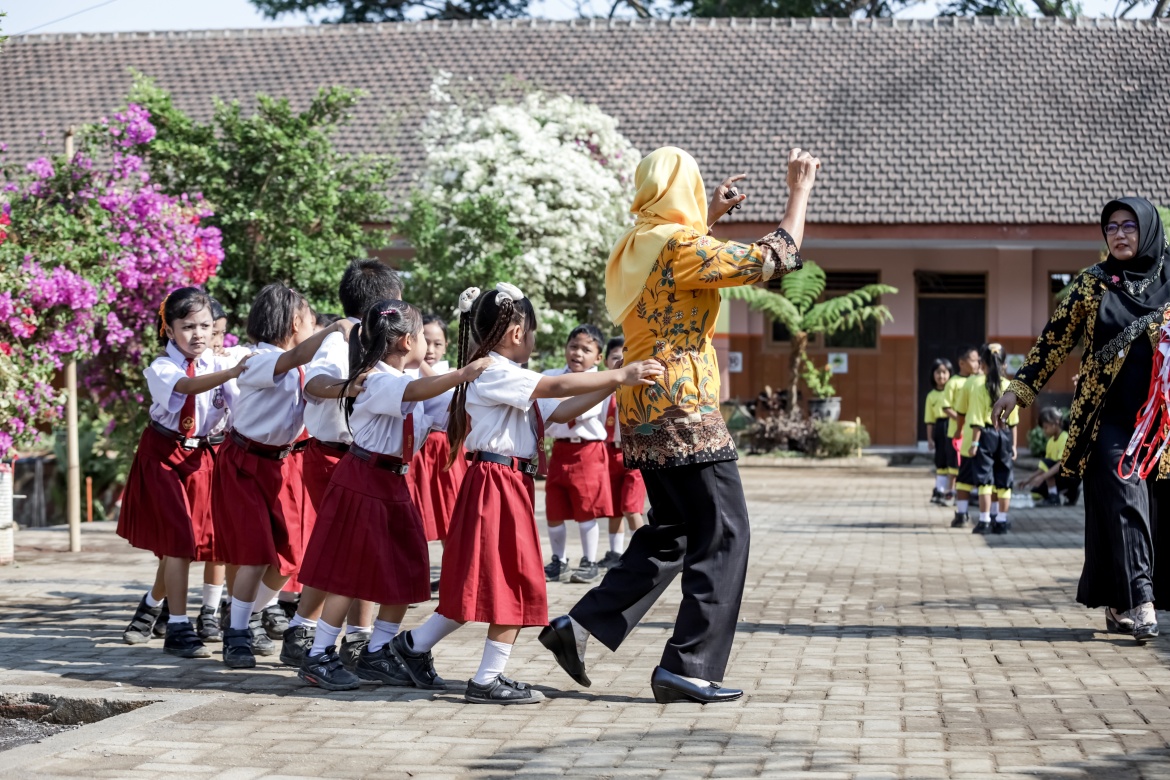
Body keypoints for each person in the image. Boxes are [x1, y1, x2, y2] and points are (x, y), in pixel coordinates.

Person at [540, 146, 816, 704]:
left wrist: (709, 217)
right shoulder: (681, 246)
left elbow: (671, 274)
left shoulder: (635, 243)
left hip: (641, 413)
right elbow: (773, 259)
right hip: (683, 409)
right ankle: (688, 664)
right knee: (726, 531)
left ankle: (582, 625)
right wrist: (799, 193)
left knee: (674, 532)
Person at [388, 284, 663, 705]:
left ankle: (411, 647)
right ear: (518, 332)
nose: (533, 340)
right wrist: (619, 374)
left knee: (481, 581)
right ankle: (486, 678)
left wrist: (614, 383)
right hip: (496, 483)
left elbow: (563, 408)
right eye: (531, 331)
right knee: (515, 578)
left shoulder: (508, 376)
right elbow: (555, 389)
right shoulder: (493, 370)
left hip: (503, 483)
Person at [992, 197, 1170, 643]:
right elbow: (1053, 341)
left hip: (1162, 424)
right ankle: (1140, 600)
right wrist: (1018, 389)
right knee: (1126, 495)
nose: (1120, 234)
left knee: (1145, 509)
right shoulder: (1092, 285)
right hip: (1107, 420)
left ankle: (1116, 600)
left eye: (1130, 225)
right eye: (1111, 227)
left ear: (1147, 230)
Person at [295, 301, 491, 690]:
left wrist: (474, 374)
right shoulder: (378, 379)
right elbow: (418, 389)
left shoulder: (409, 378)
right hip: (364, 478)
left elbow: (453, 407)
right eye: (421, 337)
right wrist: (462, 373)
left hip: (394, 481)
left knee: (408, 566)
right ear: (406, 341)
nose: (426, 347)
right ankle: (318, 655)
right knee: (348, 572)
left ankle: (379, 650)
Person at [212, 283, 354, 669]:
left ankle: (246, 613)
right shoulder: (258, 358)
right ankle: (237, 633)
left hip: (281, 462)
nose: (314, 326)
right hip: (245, 462)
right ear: (295, 322)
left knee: (292, 554)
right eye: (311, 320)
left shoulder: (299, 364)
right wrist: (333, 330)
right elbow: (298, 354)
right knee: (255, 554)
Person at [279, 259, 403, 670]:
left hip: (364, 458)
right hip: (336, 454)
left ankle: (356, 637)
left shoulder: (380, 338)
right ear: (389, 300)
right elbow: (314, 384)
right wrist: (349, 386)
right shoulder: (344, 337)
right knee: (345, 549)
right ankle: (305, 629)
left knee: (362, 549)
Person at [118, 287, 252, 659]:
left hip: (207, 457)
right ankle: (178, 626)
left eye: (205, 326)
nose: (198, 334)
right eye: (187, 326)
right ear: (169, 329)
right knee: (178, 541)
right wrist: (231, 370)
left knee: (199, 543)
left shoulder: (223, 360)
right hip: (164, 456)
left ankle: (149, 606)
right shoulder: (162, 367)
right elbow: (187, 387)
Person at [541, 324, 613, 585]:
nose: (578, 354)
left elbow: (577, 411)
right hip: (560, 448)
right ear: (565, 349)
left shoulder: (600, 381)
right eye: (573, 346)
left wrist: (552, 396)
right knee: (554, 507)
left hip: (587, 450)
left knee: (586, 507)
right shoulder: (551, 376)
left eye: (586, 349)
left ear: (598, 357)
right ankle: (559, 560)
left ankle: (589, 560)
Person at [405, 312, 469, 594]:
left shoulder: (450, 373)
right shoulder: (405, 370)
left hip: (446, 448)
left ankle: (456, 577)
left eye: (437, 343)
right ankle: (413, 578)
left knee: (450, 514)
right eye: (425, 341)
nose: (430, 350)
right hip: (415, 451)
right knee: (415, 514)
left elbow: (444, 397)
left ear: (446, 346)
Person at [600, 335, 646, 568]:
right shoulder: (600, 391)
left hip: (633, 454)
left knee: (630, 506)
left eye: (625, 358)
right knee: (614, 507)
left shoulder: (636, 389)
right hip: (608, 453)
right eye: (615, 357)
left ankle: (643, 552)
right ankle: (615, 553)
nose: (620, 361)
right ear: (606, 361)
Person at [966, 344, 1018, 534]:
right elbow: (1013, 422)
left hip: (986, 435)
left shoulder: (979, 387)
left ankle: (984, 520)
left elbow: (978, 420)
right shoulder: (1010, 387)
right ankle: (1002, 521)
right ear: (1004, 364)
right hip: (1004, 434)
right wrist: (1013, 445)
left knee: (985, 479)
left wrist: (974, 443)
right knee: (1004, 479)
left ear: (983, 365)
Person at [949, 347, 984, 528]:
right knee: (990, 481)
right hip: (996, 438)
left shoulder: (970, 383)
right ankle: (994, 518)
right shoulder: (1004, 384)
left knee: (963, 478)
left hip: (971, 436)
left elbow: (960, 412)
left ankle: (962, 514)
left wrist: (958, 430)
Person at [1022, 407, 1068, 506]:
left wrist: (1042, 477)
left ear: (1055, 423)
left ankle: (1054, 498)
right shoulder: (1050, 442)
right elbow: (1044, 467)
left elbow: (1061, 464)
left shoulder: (1065, 438)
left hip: (1070, 476)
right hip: (1059, 475)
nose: (1044, 431)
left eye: (1046, 427)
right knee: (1036, 491)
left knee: (1048, 466)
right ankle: (1067, 494)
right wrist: (1029, 480)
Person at [924, 358, 955, 506]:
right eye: (938, 372)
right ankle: (940, 490)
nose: (941, 376)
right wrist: (930, 439)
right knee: (941, 459)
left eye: (944, 372)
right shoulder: (931, 396)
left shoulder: (954, 391)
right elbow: (929, 420)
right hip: (940, 427)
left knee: (953, 460)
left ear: (950, 374)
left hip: (954, 426)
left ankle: (952, 491)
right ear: (933, 374)